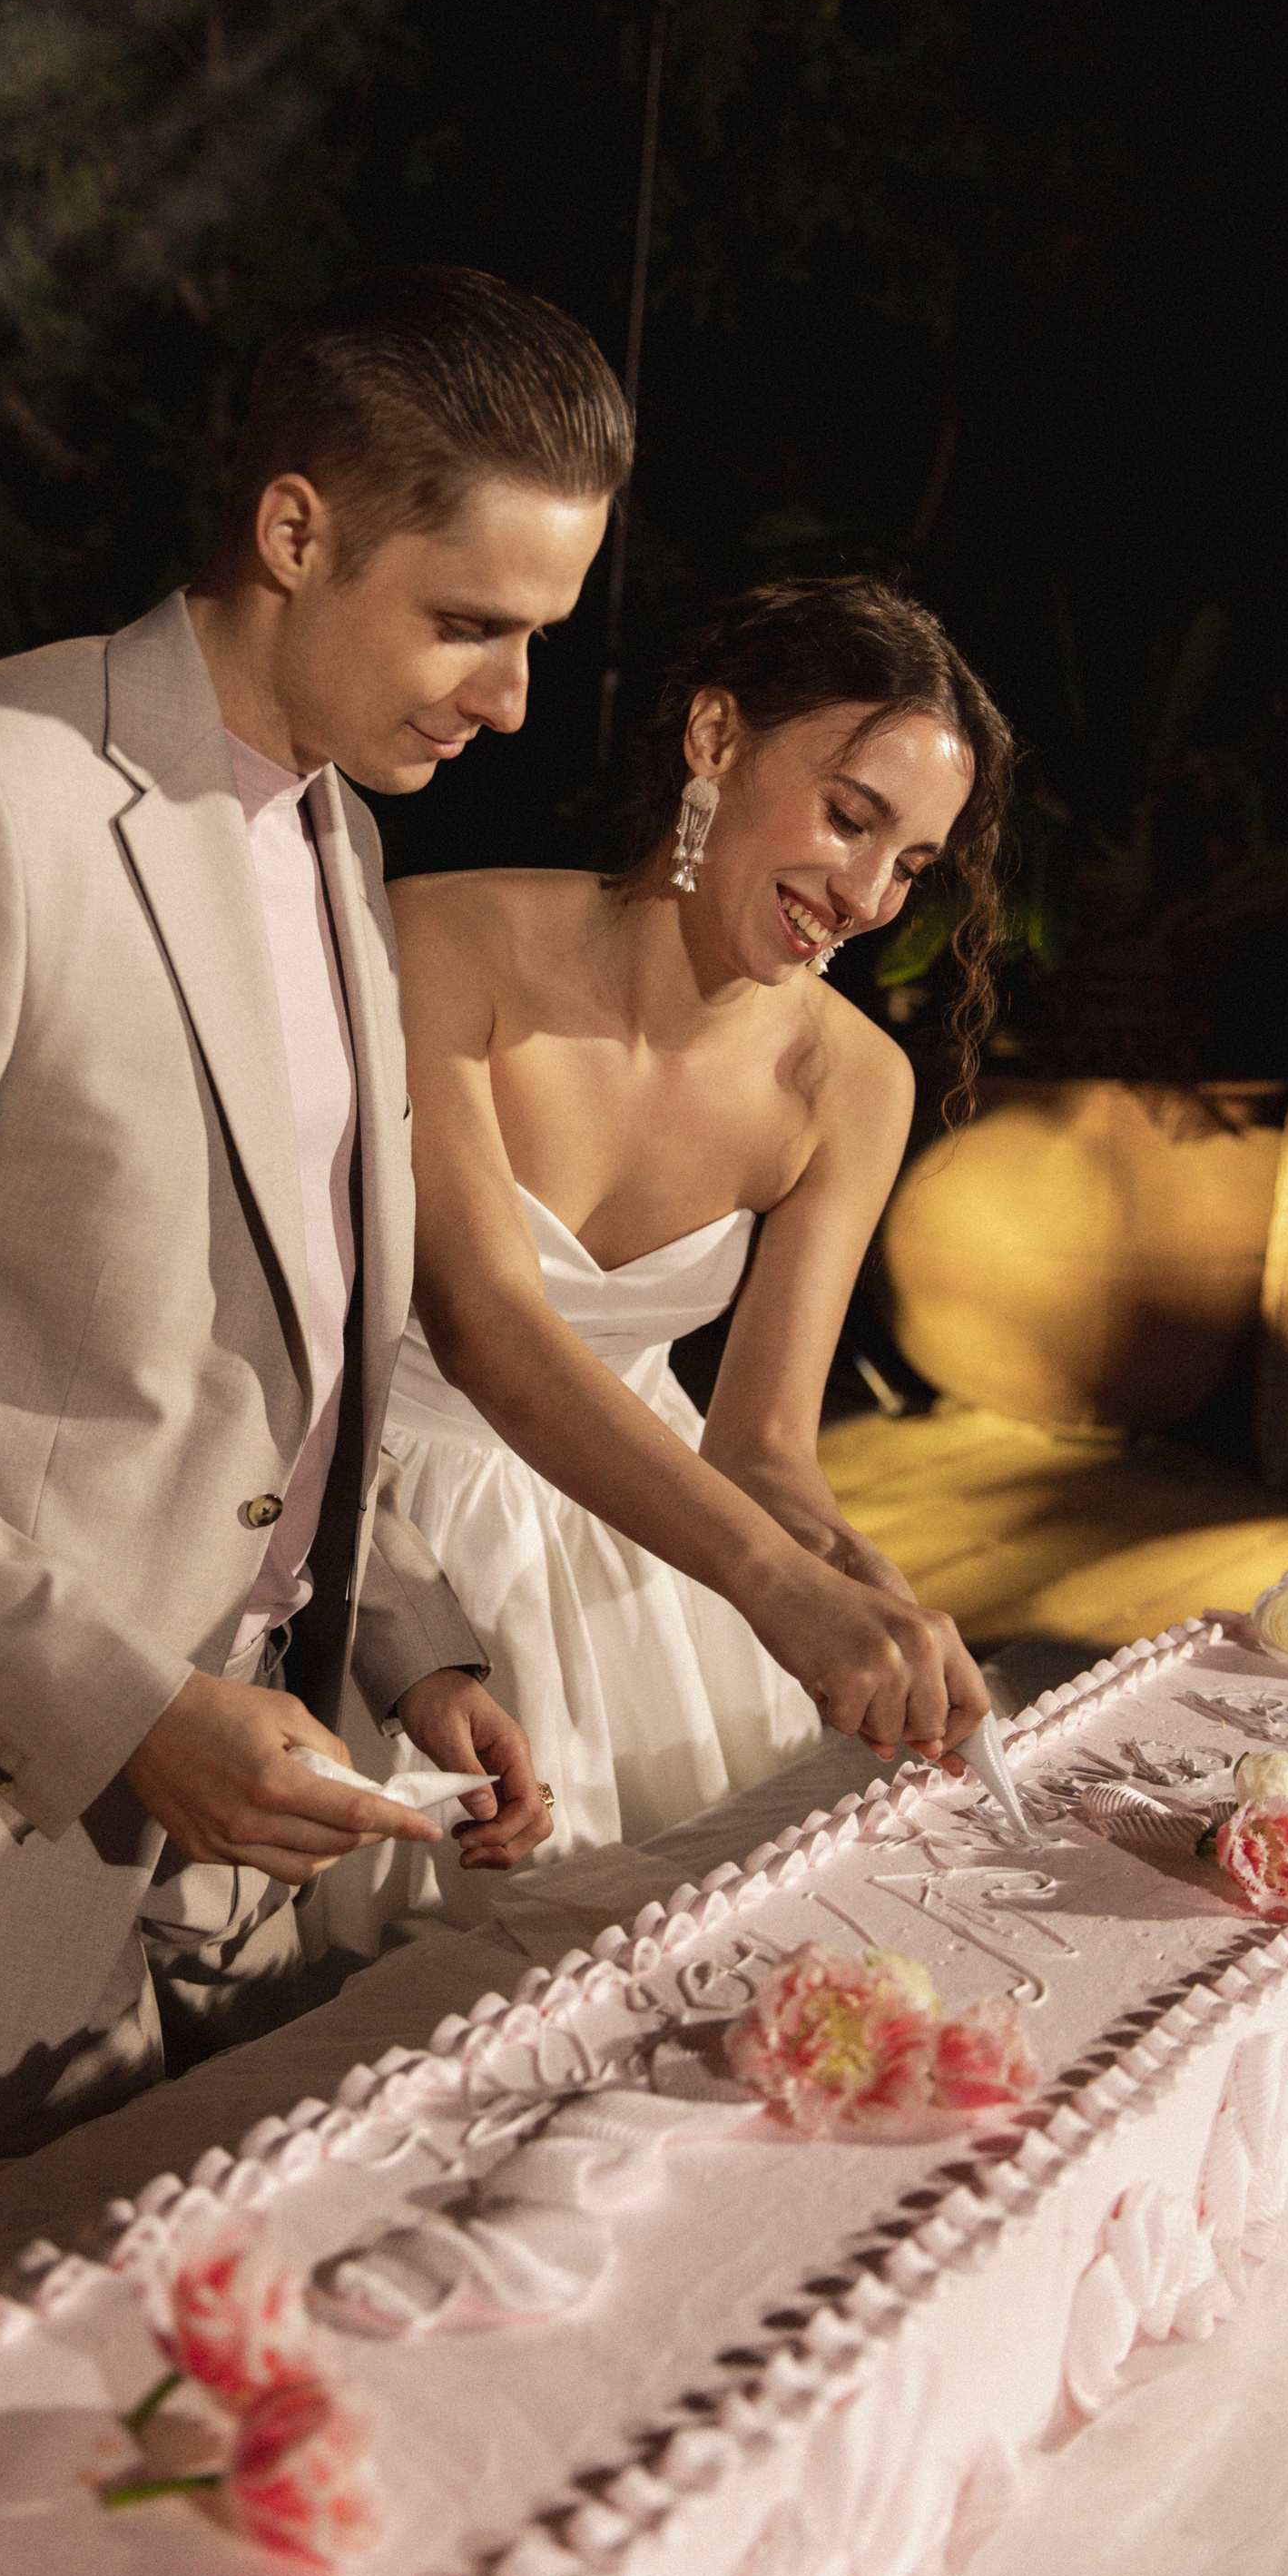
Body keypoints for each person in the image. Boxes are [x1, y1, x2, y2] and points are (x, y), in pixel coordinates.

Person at [0, 264, 624, 2202]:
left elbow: (294, 1326)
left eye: (536, 636)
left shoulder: (340, 827)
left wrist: (412, 1648)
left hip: (248, 1833)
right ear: (293, 531)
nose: (511, 699)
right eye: (470, 624)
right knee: (21, 2378)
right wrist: (122, 1712)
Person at [319, 576, 1014, 1947]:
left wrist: (860, 1585)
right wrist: (778, 1584)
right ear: (714, 739)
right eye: (851, 817)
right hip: (378, 1537)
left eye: (913, 865)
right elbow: (486, 1326)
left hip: (656, 1562)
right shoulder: (445, 940)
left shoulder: (853, 1081)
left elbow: (763, 1448)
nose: (866, 895)